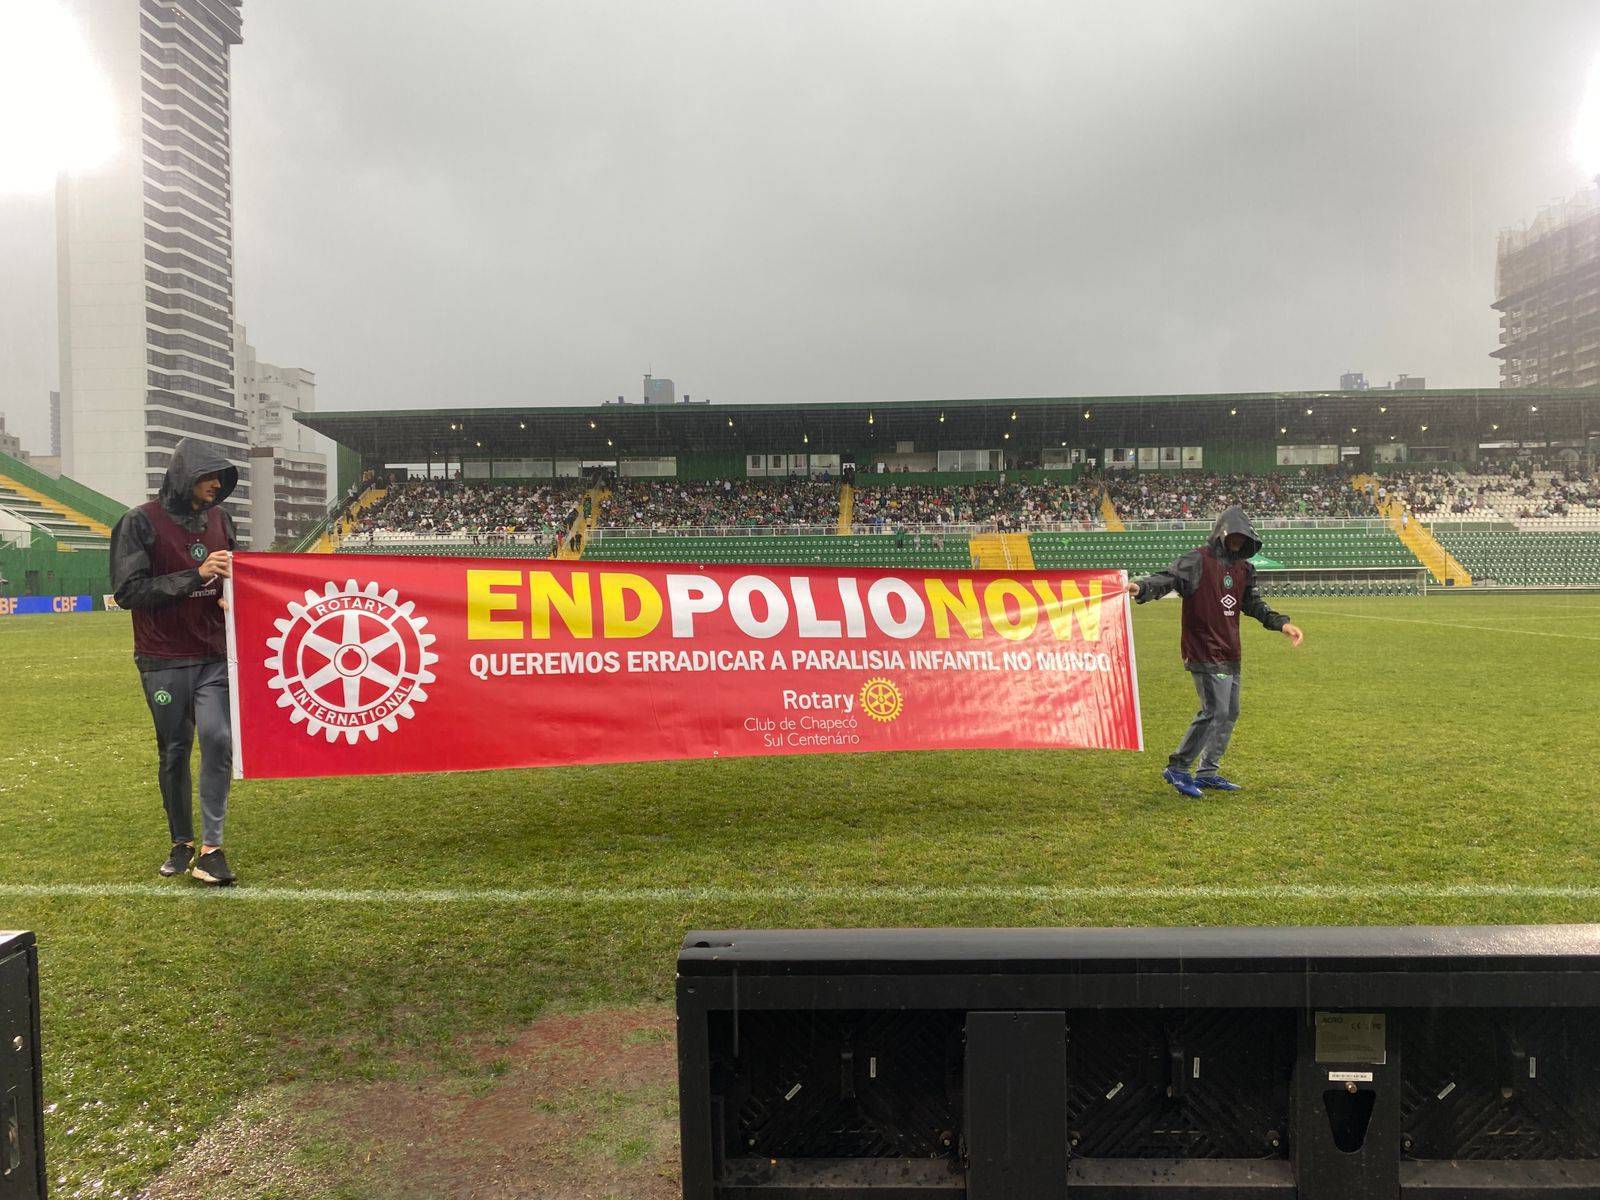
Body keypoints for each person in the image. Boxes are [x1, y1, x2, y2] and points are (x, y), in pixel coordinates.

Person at [110, 439, 239, 885]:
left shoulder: (222, 519)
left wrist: (230, 599)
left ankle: (212, 847)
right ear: (185, 477)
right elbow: (128, 592)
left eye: (220, 477)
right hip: (163, 659)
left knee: (219, 739)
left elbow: (232, 579)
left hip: (214, 656)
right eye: (209, 476)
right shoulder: (138, 522)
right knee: (176, 749)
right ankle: (181, 840)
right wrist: (195, 576)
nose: (217, 485)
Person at [1125, 506, 1304, 798]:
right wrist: (1142, 587)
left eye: (1242, 537)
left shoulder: (1244, 569)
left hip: (1230, 651)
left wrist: (1281, 624)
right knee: (1214, 710)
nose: (1236, 541)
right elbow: (1168, 578)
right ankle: (1179, 767)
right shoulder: (1198, 560)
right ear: (1221, 533)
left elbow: (1254, 605)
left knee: (1230, 712)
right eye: (1233, 535)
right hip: (1204, 649)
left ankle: (1207, 771)